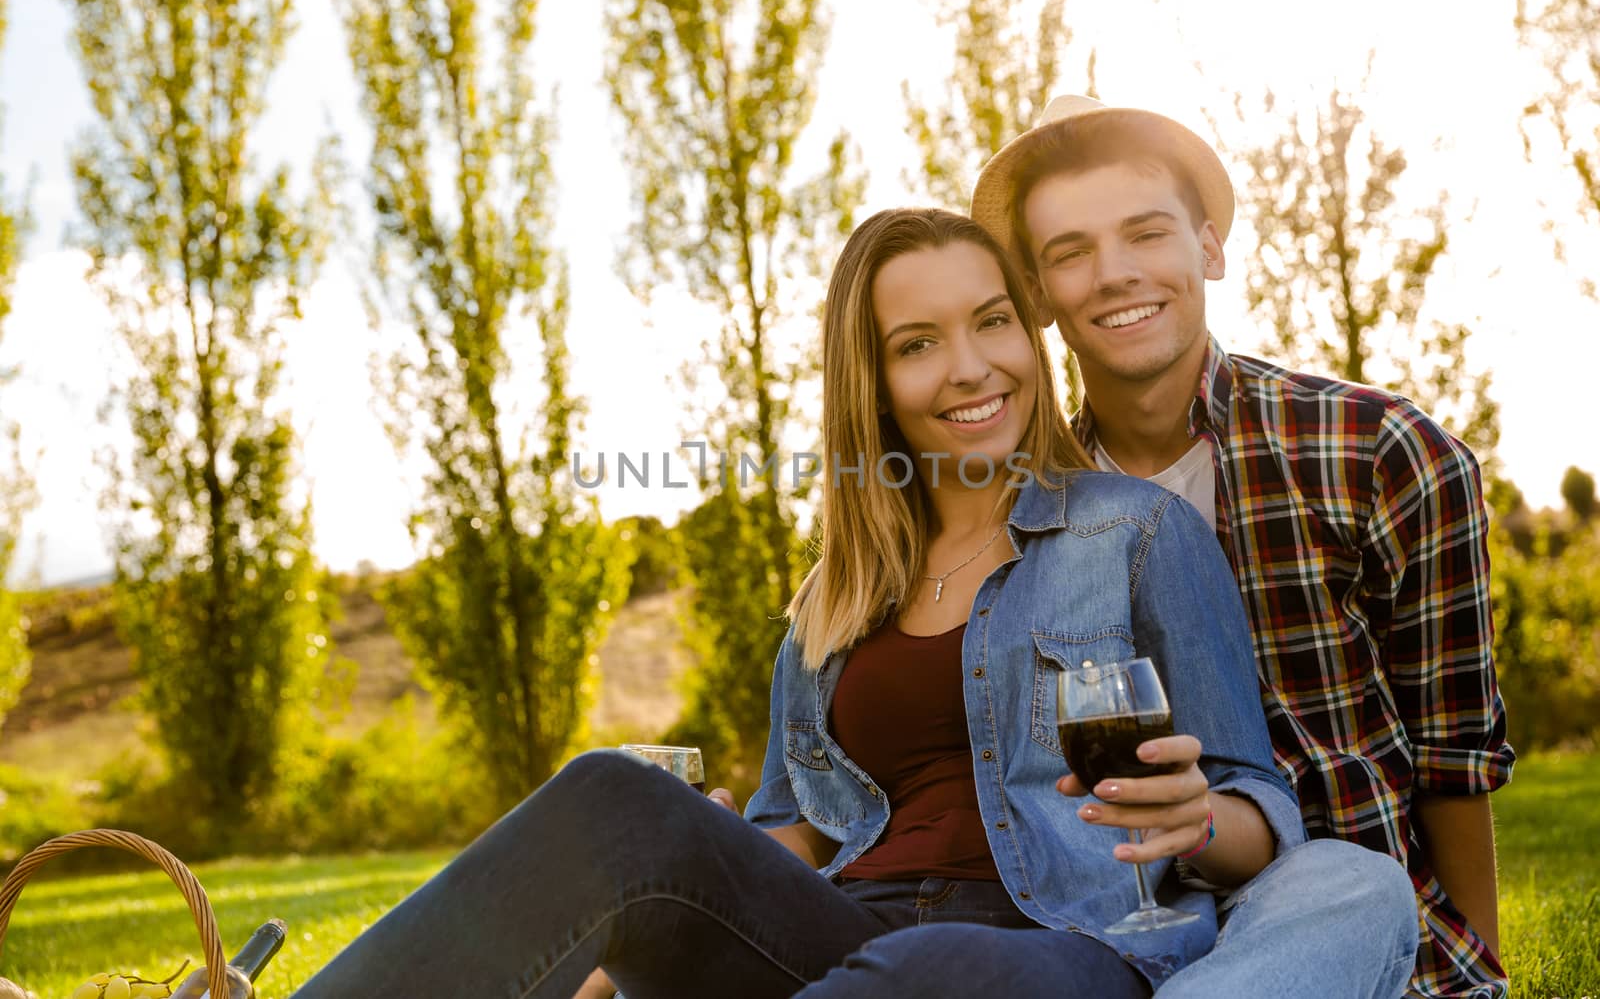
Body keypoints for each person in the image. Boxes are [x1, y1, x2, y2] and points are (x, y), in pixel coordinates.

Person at [288, 208, 1325, 998]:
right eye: (917, 342)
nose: (971, 367)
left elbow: (1259, 812)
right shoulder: (838, 595)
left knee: (933, 966)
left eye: (993, 321)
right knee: (616, 795)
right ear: (869, 378)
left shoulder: (1137, 531)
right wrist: (666, 876)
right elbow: (793, 833)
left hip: (1064, 947)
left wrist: (1195, 820)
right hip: (847, 941)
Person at [970, 95, 1516, 998]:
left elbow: (1456, 762)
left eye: (1145, 232)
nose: (1113, 274)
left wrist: (1477, 974)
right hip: (1135, 949)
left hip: (1358, 932)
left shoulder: (1379, 453)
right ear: (1035, 294)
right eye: (1069, 253)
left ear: (1210, 248)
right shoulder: (1018, 516)